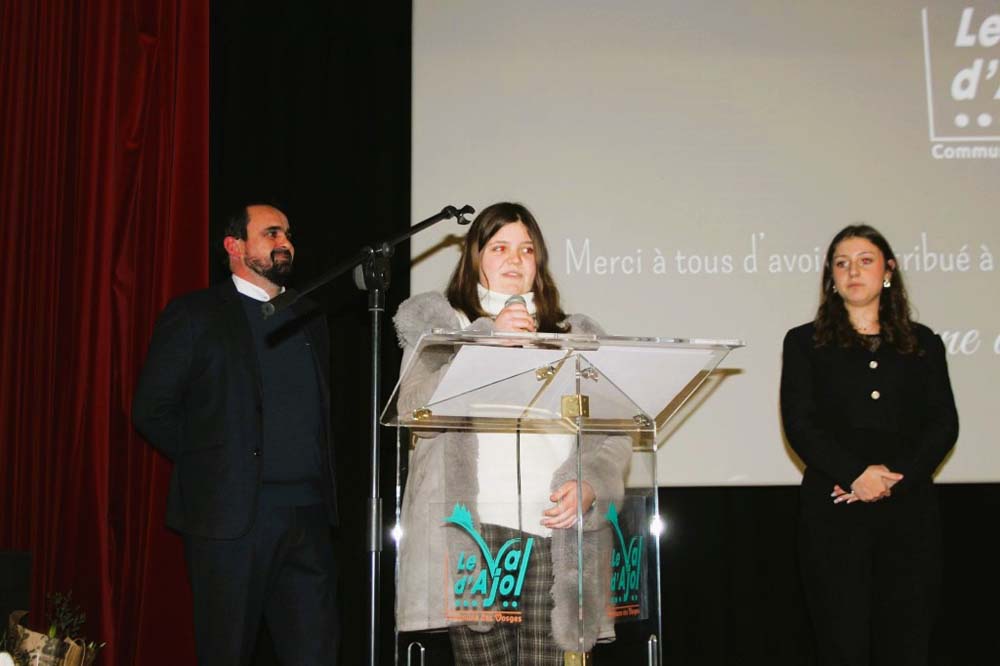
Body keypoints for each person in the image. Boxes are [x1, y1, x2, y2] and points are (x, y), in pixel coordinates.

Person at [392, 202, 631, 664]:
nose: (515, 259)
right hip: (473, 534)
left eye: (526, 249)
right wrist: (488, 342)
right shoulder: (445, 329)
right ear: (475, 258)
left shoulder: (574, 335)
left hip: (553, 530)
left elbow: (614, 433)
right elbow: (413, 410)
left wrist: (591, 484)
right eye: (499, 247)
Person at [132, 204, 339, 665]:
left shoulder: (308, 314)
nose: (285, 242)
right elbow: (151, 410)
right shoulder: (196, 314)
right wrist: (215, 463)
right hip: (232, 519)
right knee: (225, 653)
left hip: (307, 517)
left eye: (287, 233)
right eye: (271, 233)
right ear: (235, 246)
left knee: (317, 653)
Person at [780, 224, 958, 666]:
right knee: (841, 642)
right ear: (831, 277)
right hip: (833, 510)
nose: (853, 271)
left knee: (907, 640)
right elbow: (800, 424)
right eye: (841, 264)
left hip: (909, 511)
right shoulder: (804, 342)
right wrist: (854, 475)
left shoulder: (923, 342)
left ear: (888, 270)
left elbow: (943, 424)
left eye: (865, 261)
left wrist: (893, 479)